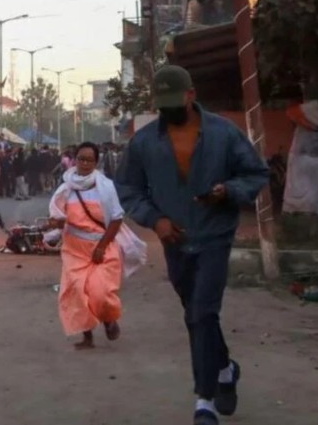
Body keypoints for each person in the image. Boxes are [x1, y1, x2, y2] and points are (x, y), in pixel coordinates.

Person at [114, 65, 269, 425]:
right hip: (175, 241)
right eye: (161, 102)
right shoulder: (144, 142)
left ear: (191, 95)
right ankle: (226, 369)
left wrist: (228, 191)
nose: (168, 108)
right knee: (196, 315)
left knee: (203, 312)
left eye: (174, 100)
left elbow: (255, 173)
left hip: (214, 236)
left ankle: (204, 401)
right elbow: (128, 189)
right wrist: (156, 220)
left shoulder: (223, 133)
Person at [47, 142, 146, 350]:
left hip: (102, 247)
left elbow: (117, 219)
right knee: (78, 293)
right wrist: (56, 223)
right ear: (74, 160)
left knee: (99, 292)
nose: (84, 163)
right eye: (81, 159)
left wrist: (101, 247)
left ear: (96, 162)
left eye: (89, 160)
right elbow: (58, 217)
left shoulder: (106, 187)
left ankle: (109, 319)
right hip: (74, 249)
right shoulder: (66, 188)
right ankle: (87, 337)